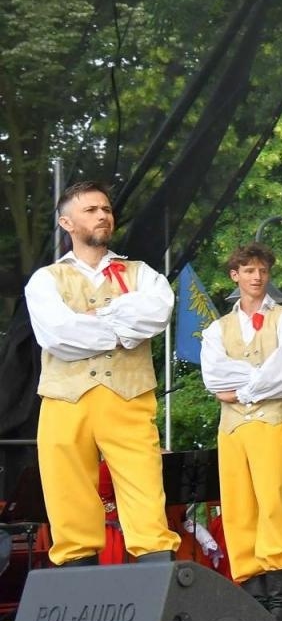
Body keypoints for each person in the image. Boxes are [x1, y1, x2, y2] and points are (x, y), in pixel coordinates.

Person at [25, 181, 180, 567]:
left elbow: (157, 314)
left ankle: (158, 589)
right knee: (68, 500)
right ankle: (80, 591)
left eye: (106, 209)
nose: (102, 215)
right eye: (91, 210)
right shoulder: (46, 279)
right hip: (65, 401)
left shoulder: (142, 274)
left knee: (146, 497)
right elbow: (59, 336)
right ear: (67, 222)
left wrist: (96, 317)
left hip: (128, 399)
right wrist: (123, 329)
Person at [201, 242, 282, 621]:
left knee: (273, 506)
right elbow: (214, 378)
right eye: (248, 270)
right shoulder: (217, 329)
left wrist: (243, 389)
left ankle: (278, 604)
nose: (256, 277)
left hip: (272, 424)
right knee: (238, 509)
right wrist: (260, 379)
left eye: (262, 270)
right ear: (235, 276)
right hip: (232, 429)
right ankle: (253, 600)